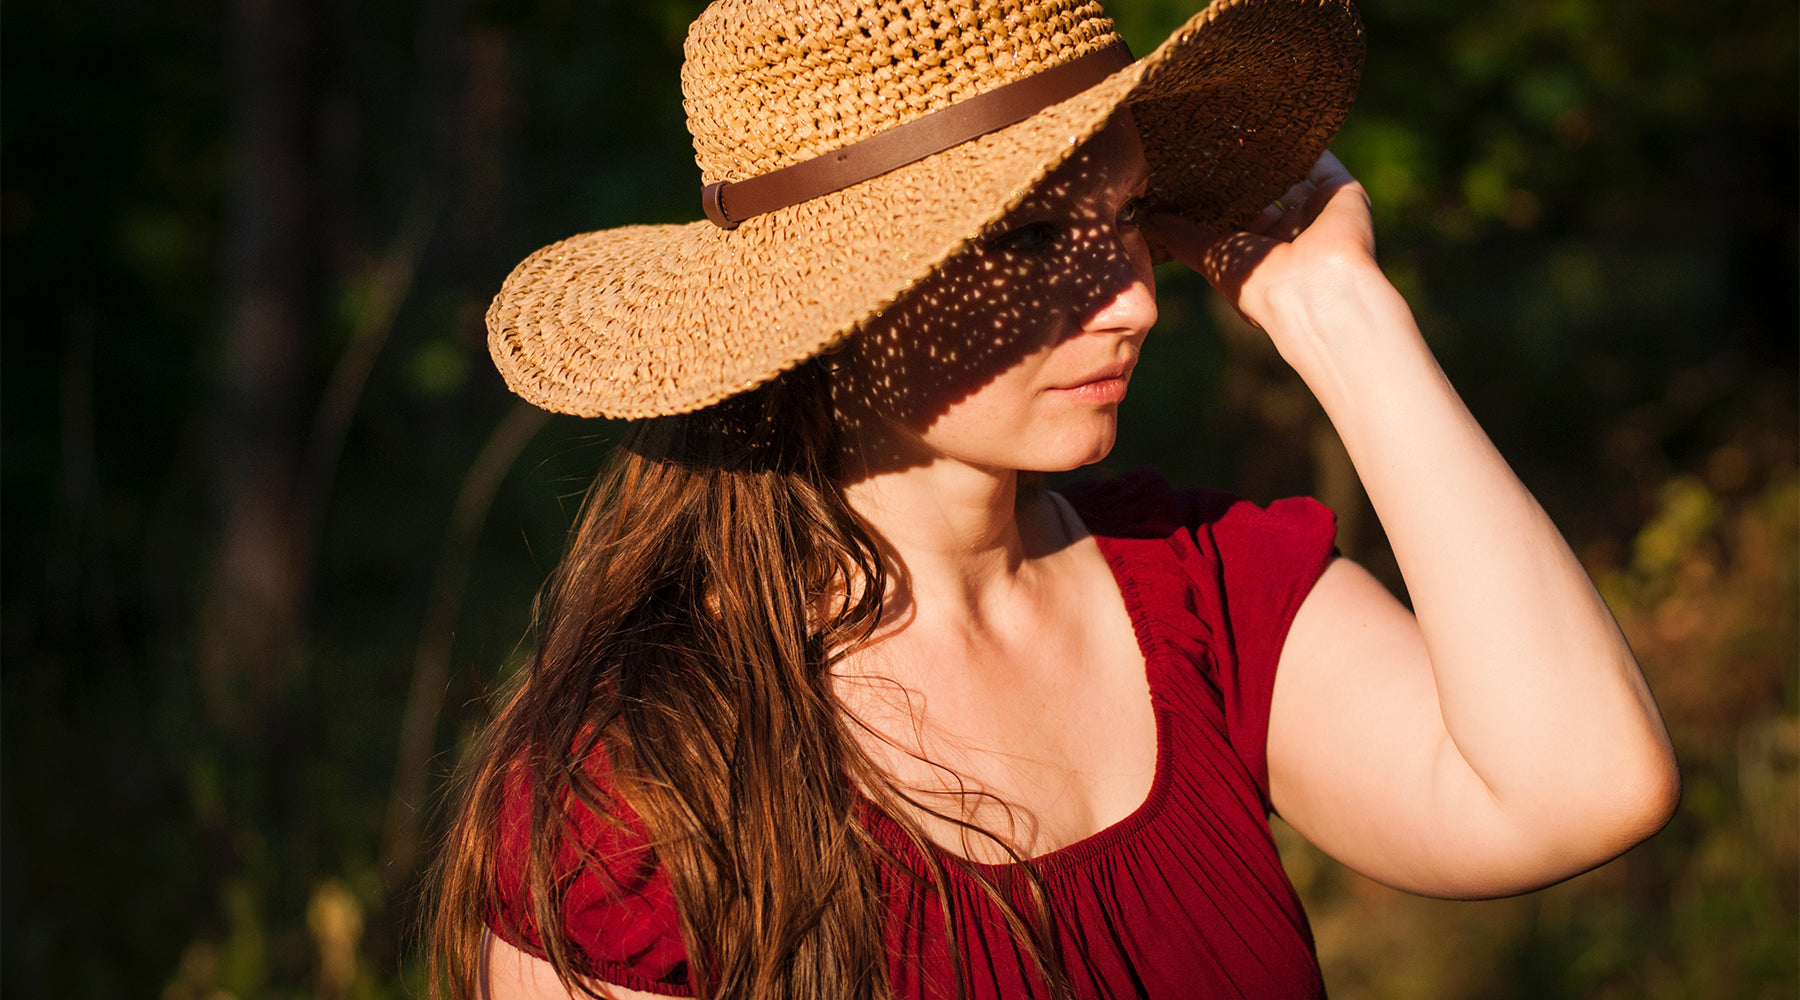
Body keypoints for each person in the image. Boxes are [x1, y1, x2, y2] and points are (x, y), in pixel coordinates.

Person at [429, 0, 1680, 997]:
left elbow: (1580, 789)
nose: (1135, 297)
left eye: (1129, 216)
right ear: (826, 309)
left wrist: (1344, 316)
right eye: (1028, 240)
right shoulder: (650, 779)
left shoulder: (1200, 591)